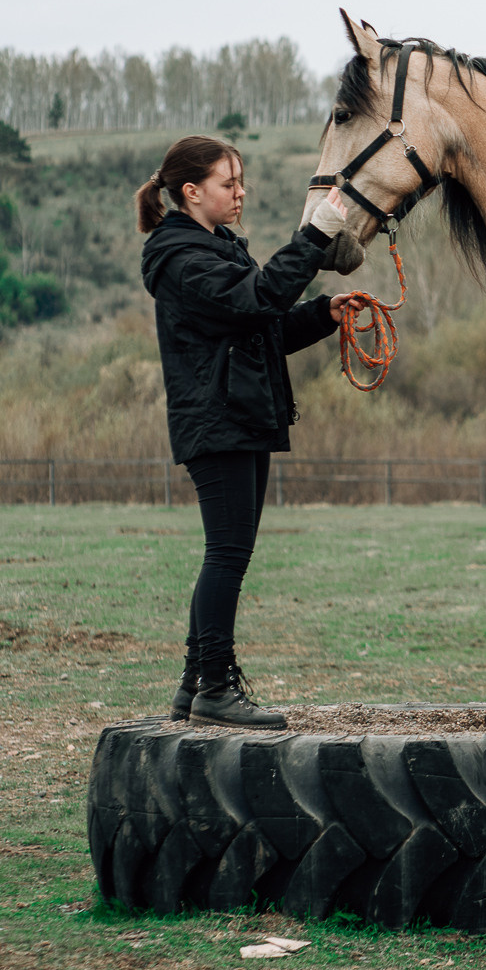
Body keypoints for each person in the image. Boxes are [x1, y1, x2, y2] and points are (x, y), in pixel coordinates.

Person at [136, 135, 368, 729]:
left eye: (242, 182)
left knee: (228, 553)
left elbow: (261, 325)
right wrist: (315, 237)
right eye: (227, 183)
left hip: (239, 416)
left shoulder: (212, 247)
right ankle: (216, 685)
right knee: (227, 554)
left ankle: (195, 685)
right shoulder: (182, 260)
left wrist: (323, 314)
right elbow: (259, 296)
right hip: (219, 423)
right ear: (192, 193)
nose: (240, 193)